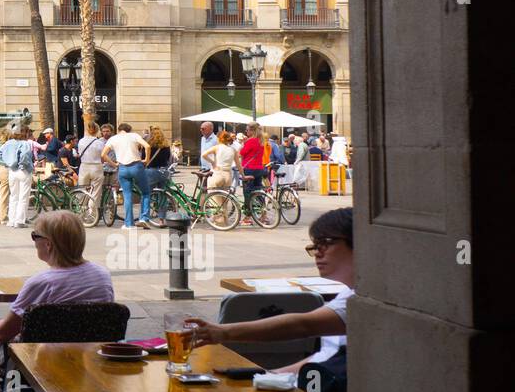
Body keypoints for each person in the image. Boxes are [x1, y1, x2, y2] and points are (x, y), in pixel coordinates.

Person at [190, 207, 354, 374]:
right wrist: (270, 376)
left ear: (360, 241)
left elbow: (303, 325)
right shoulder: (349, 295)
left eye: (325, 243)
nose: (318, 253)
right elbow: (324, 357)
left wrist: (222, 332)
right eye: (315, 246)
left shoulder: (358, 300)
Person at [0, 211, 115, 343]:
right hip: (92, 357)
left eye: (35, 235)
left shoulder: (42, 283)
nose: (34, 241)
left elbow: (2, 333)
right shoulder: (103, 276)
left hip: (42, 360)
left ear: (48, 244)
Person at [101, 122, 152, 229]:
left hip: (122, 168)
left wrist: (114, 164)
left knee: (127, 195)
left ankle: (129, 224)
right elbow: (147, 146)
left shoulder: (113, 139)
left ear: (119, 130)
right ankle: (144, 218)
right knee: (145, 192)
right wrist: (146, 160)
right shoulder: (134, 135)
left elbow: (103, 155)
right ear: (129, 129)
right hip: (136, 166)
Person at [0, 127, 37, 229]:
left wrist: (7, 163)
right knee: (23, 197)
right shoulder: (25, 143)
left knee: (13, 196)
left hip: (12, 171)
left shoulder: (8, 143)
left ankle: (11, 220)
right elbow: (24, 156)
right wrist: (23, 165)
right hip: (23, 171)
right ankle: (19, 221)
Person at [143, 127, 174, 226]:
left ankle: (145, 219)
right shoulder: (166, 146)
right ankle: (161, 220)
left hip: (150, 171)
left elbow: (143, 159)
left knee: (146, 195)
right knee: (163, 196)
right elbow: (169, 159)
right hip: (163, 171)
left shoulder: (148, 146)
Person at [74, 122, 105, 198]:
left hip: (84, 166)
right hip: (97, 167)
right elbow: (102, 157)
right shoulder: (100, 143)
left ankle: (82, 207)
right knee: (95, 192)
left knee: (82, 190)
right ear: (98, 131)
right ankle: (92, 209)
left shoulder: (81, 141)